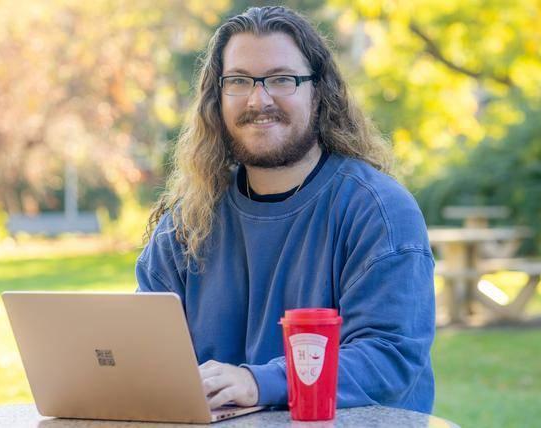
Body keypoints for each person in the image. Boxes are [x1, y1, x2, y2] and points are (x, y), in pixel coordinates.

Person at [136, 6, 435, 414]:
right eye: (239, 81)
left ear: (319, 92)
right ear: (217, 97)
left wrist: (259, 382)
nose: (259, 99)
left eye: (281, 79)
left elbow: (389, 358)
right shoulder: (189, 220)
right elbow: (143, 348)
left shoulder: (378, 211)